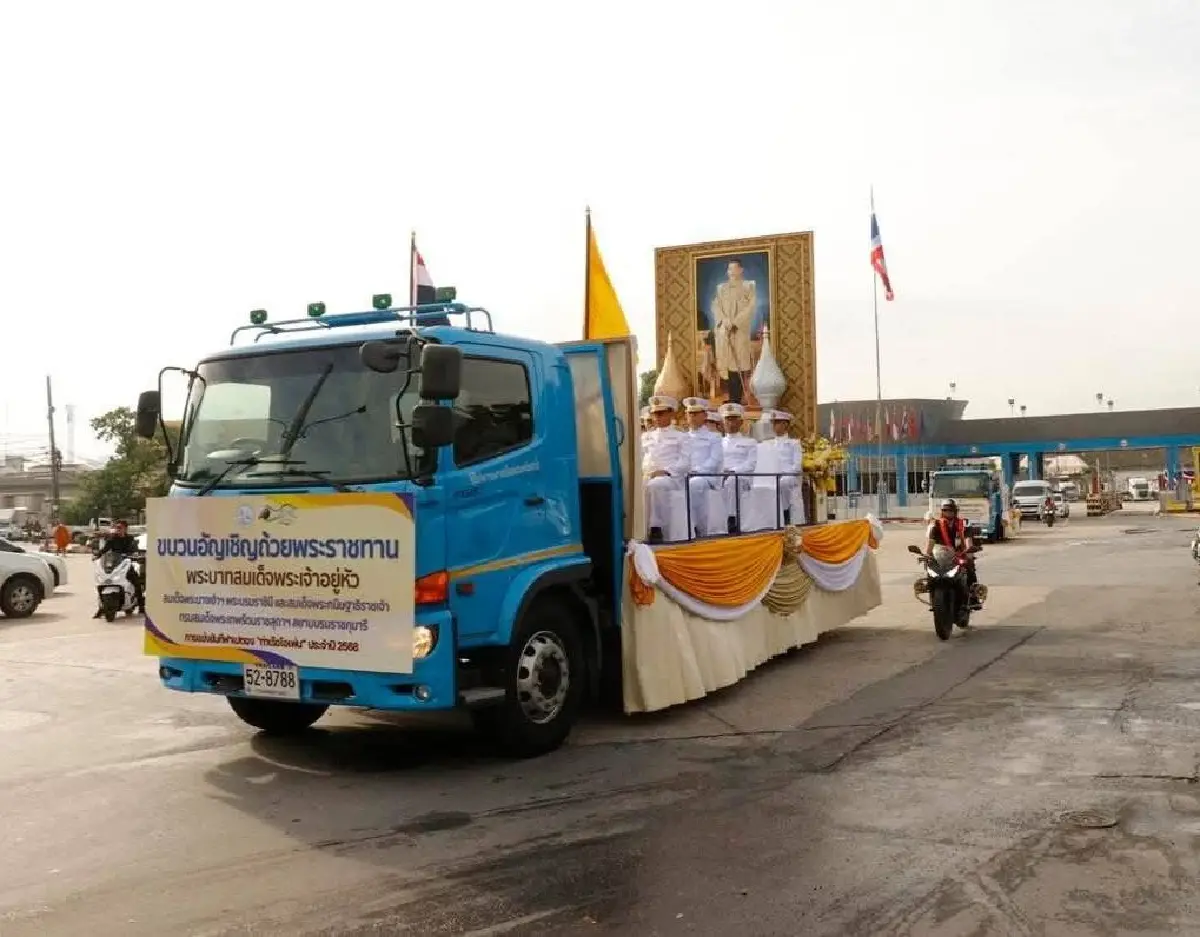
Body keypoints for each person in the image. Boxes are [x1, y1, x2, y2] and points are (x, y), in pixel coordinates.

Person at [642, 395, 689, 543]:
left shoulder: (681, 437)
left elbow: (685, 462)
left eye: (661, 413)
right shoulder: (646, 437)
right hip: (648, 475)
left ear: (671, 413)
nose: (657, 417)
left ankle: (656, 528)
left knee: (656, 485)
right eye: (654, 413)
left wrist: (666, 471)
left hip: (671, 478)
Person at [709, 259, 757, 404]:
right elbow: (715, 306)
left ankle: (738, 397)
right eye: (729, 269)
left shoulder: (749, 286)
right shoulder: (721, 288)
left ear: (741, 270)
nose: (730, 272)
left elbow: (751, 306)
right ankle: (732, 397)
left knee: (739, 363)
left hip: (740, 330)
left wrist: (736, 323)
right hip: (725, 331)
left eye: (733, 268)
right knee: (728, 363)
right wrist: (724, 321)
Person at [923, 499, 983, 610]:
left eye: (951, 510)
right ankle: (933, 599)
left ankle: (974, 597)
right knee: (929, 568)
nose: (948, 512)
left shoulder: (963, 523)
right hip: (942, 556)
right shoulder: (936, 524)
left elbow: (968, 539)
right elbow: (931, 541)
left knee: (970, 568)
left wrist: (969, 551)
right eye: (945, 510)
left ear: (955, 511)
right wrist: (927, 555)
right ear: (942, 511)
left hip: (960, 554)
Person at [682, 396, 723, 537]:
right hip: (684, 475)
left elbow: (714, 460)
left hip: (707, 477)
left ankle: (698, 528)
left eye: (696, 413)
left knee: (694, 484)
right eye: (690, 413)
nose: (692, 417)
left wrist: (697, 471)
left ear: (704, 415)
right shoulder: (682, 437)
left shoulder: (714, 437)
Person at [719, 402, 757, 534]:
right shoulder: (718, 442)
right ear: (723, 422)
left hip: (742, 477)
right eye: (727, 419)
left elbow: (750, 464)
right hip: (719, 476)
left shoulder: (749, 442)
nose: (730, 423)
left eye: (734, 419)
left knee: (731, 481)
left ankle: (732, 518)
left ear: (741, 422)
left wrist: (733, 471)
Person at [95, 519, 143, 615]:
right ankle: (101, 607)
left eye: (120, 528)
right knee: (102, 581)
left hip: (126, 564)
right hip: (114, 564)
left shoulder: (130, 539)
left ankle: (141, 605)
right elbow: (105, 549)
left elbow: (134, 549)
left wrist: (134, 555)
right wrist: (97, 555)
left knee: (136, 581)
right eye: (116, 527)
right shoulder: (112, 539)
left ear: (125, 529)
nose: (118, 529)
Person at [765, 410, 804, 526]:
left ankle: (789, 521)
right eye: (773, 423)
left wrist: (784, 475)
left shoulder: (794, 443)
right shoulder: (768, 443)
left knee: (782, 485)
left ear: (785, 425)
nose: (774, 426)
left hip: (790, 477)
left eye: (777, 423)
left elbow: (797, 466)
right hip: (772, 476)